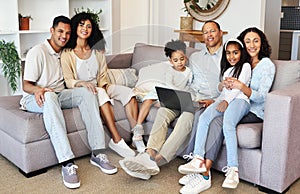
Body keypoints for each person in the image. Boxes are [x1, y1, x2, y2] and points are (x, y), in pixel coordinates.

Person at [19, 15, 117, 189]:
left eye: (67, 32)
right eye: (60, 31)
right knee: (49, 96)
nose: (63, 36)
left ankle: (98, 152)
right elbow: (26, 85)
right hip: (35, 97)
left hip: (59, 94)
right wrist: (38, 90)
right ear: (52, 31)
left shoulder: (65, 53)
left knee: (88, 92)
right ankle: (67, 162)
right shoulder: (38, 51)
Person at [119, 20, 223, 180]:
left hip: (205, 101)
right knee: (163, 111)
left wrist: (214, 100)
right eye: (205, 32)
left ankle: (156, 160)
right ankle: (149, 153)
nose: (209, 35)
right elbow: (182, 74)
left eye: (212, 31)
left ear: (220, 33)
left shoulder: (227, 56)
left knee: (186, 119)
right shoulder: (195, 56)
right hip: (188, 96)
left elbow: (229, 85)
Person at [178, 27, 275, 193]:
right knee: (204, 115)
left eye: (256, 41)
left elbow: (262, 97)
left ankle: (205, 174)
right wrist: (219, 98)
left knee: (218, 122)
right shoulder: (238, 64)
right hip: (234, 103)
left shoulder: (266, 65)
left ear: (262, 43)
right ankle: (198, 162)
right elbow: (224, 88)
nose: (252, 45)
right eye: (248, 41)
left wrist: (239, 90)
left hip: (253, 110)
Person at [60, 12, 138, 158]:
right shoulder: (67, 53)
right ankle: (116, 139)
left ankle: (136, 136)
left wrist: (105, 87)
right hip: (83, 90)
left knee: (129, 93)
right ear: (75, 27)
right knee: (100, 93)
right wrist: (82, 83)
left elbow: (103, 75)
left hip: (101, 86)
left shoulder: (97, 51)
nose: (85, 28)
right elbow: (68, 80)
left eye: (89, 26)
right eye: (81, 25)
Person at [131, 39, 192, 153]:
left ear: (186, 57)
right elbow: (169, 85)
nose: (179, 62)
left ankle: (161, 104)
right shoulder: (170, 71)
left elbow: (189, 86)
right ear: (170, 61)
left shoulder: (189, 72)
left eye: (182, 59)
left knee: (163, 105)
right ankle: (138, 128)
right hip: (167, 90)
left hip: (178, 95)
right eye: (176, 60)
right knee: (149, 99)